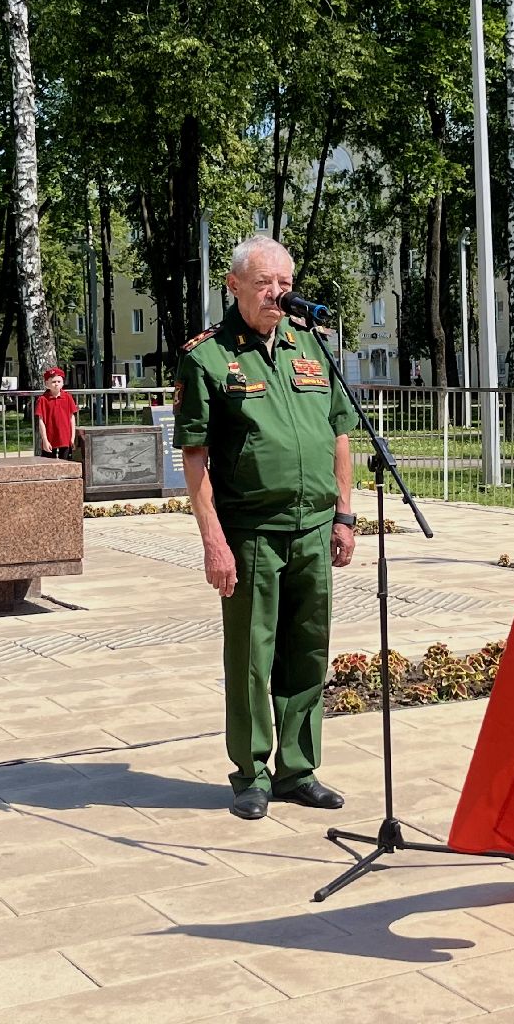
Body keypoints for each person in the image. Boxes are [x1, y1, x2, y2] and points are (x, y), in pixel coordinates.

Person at [174, 235, 358, 821]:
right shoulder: (207, 357)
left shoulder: (312, 346)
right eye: (265, 283)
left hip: (313, 527)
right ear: (234, 287)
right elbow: (196, 455)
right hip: (251, 529)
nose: (279, 293)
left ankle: (298, 770)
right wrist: (213, 541)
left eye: (285, 281)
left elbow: (340, 433)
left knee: (308, 650)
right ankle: (251, 773)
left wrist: (346, 513)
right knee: (253, 655)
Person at [34, 366, 78, 459]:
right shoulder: (42, 399)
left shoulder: (68, 397)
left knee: (66, 464)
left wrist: (72, 437)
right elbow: (41, 421)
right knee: (48, 465)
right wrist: (45, 440)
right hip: (50, 437)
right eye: (53, 382)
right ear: (47, 384)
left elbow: (72, 417)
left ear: (62, 383)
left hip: (65, 437)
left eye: (59, 381)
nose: (56, 384)